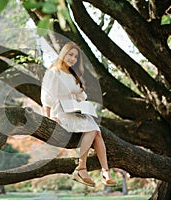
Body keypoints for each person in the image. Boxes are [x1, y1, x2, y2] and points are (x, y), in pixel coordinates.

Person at [41, 41, 116, 187]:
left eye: (75, 57)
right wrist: (49, 118)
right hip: (61, 112)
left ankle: (105, 171)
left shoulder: (73, 74)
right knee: (93, 130)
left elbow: (81, 95)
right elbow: (46, 97)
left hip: (75, 111)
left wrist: (81, 102)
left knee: (97, 132)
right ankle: (82, 168)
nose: (72, 59)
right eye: (70, 54)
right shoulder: (53, 72)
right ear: (63, 54)